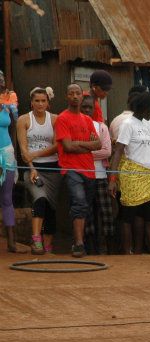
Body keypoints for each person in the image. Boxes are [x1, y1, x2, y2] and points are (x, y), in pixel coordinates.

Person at [109, 90, 150, 255]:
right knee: (128, 216)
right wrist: (113, 179)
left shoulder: (145, 124)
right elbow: (118, 151)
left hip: (148, 176)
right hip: (132, 176)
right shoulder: (128, 124)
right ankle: (127, 251)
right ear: (143, 108)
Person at [56, 84, 102, 258]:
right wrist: (87, 146)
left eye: (77, 94)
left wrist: (79, 145)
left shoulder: (87, 120)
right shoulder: (62, 118)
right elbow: (67, 147)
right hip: (71, 168)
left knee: (84, 207)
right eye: (71, 94)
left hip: (89, 169)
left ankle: (79, 241)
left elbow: (98, 145)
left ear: (81, 97)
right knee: (79, 202)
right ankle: (79, 244)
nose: (75, 96)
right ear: (66, 96)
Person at [17, 87, 60, 255]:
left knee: (51, 207)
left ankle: (48, 246)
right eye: (37, 101)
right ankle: (36, 241)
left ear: (48, 103)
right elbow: (23, 149)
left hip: (53, 169)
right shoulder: (24, 120)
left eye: (43, 101)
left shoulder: (55, 119)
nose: (40, 104)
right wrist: (32, 167)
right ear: (31, 102)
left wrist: (36, 153)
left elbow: (57, 145)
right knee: (39, 198)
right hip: (33, 168)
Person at [79, 95, 113, 255]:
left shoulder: (101, 127)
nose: (86, 110)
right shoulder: (75, 126)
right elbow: (68, 149)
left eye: (89, 107)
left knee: (106, 212)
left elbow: (107, 151)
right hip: (82, 176)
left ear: (95, 109)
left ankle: (108, 246)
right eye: (83, 107)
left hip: (100, 176)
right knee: (87, 213)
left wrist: (82, 151)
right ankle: (90, 247)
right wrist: (91, 149)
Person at [0, 94, 17, 252]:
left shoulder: (9, 104)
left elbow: (14, 130)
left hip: (7, 152)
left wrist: (15, 154)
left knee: (7, 197)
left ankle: (11, 242)